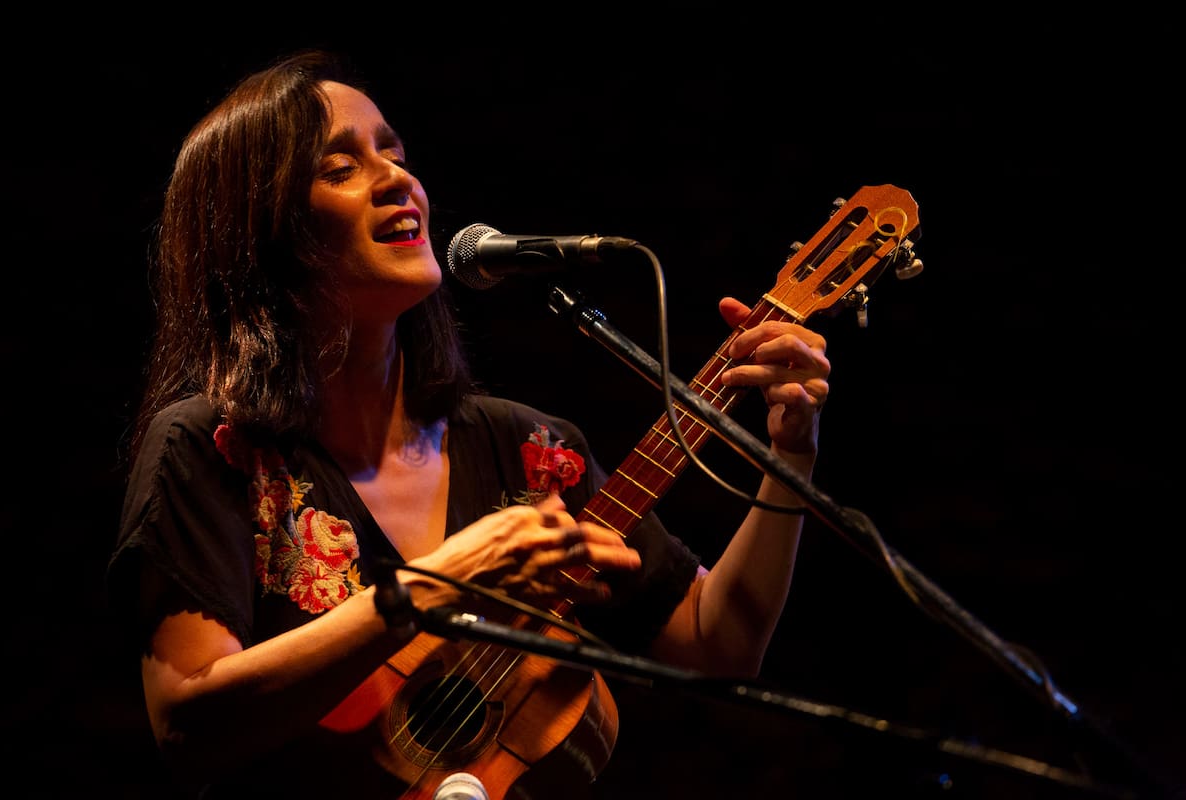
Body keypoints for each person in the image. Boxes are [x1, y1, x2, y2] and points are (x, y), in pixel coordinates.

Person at [106, 49, 830, 800]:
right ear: (261, 231)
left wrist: (790, 455)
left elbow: (719, 643)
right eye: (341, 167)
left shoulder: (532, 452)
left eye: (395, 155)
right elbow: (188, 722)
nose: (398, 180)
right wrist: (440, 580)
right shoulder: (212, 448)